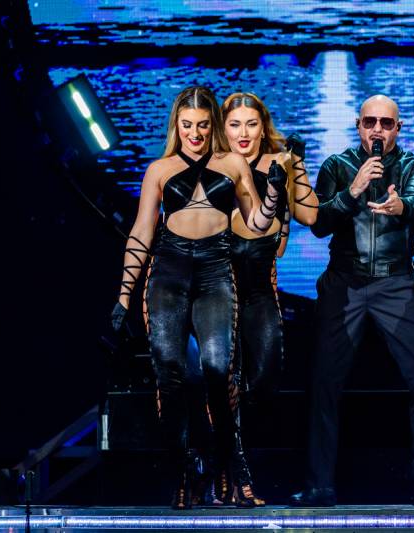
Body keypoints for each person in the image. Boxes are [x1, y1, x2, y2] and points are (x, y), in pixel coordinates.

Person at [110, 86, 282, 509]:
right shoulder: (160, 169)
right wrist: (123, 296)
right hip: (168, 271)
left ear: (213, 125)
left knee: (218, 369)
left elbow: (258, 222)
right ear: (177, 125)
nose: (195, 133)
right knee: (169, 375)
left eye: (203, 125)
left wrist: (275, 193)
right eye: (187, 126)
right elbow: (142, 231)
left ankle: (231, 471)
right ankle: (183, 475)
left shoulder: (233, 163)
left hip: (214, 269)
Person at [290, 94, 414, 507]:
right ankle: (319, 485)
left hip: (396, 281)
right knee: (323, 382)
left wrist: (399, 204)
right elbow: (319, 225)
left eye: (386, 124)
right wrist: (352, 191)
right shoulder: (336, 166)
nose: (377, 131)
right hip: (344, 280)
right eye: (370, 122)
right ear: (358, 125)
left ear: (398, 128)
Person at [219, 92, 318, 503]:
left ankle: (225, 449)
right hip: (218, 286)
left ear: (264, 126)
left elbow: (310, 217)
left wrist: (300, 168)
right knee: (221, 381)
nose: (243, 133)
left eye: (251, 124)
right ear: (224, 128)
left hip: (260, 286)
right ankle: (231, 475)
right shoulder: (215, 165)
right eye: (235, 125)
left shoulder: (283, 162)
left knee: (265, 377)